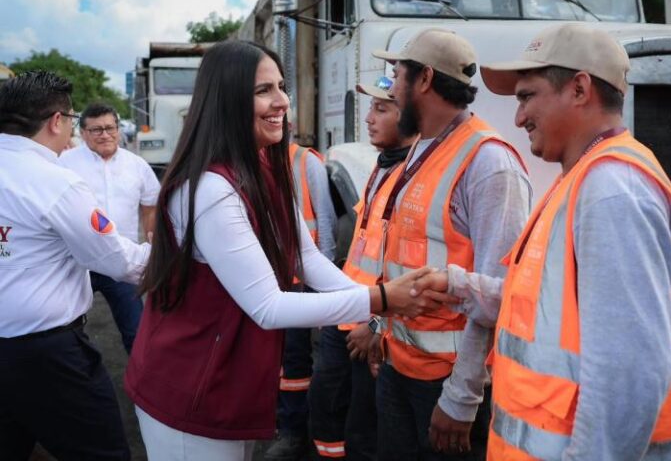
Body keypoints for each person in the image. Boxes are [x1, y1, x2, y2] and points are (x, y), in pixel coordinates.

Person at [122, 40, 455, 461]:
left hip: (228, 378)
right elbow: (267, 306)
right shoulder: (211, 188)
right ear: (226, 98)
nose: (282, 101)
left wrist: (374, 311)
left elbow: (306, 258)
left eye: (281, 86)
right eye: (263, 90)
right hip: (190, 385)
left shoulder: (265, 167)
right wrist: (383, 298)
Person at [416, 23, 671, 460]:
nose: (518, 117)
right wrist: (462, 287)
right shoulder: (584, 179)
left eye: (526, 97)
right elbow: (548, 307)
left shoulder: (610, 190)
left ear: (579, 89)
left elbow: (628, 376)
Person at [369, 29, 531, 460]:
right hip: (398, 368)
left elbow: (499, 293)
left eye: (396, 75)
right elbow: (401, 258)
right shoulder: (423, 148)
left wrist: (461, 398)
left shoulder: (489, 164)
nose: (390, 89)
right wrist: (379, 331)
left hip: (445, 388)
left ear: (423, 79)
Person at [0, 71, 150, 460]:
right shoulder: (55, 182)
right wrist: (178, 253)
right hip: (46, 356)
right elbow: (117, 259)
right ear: (55, 121)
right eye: (72, 119)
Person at [308, 75, 416, 461]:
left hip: (369, 322)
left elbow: (410, 269)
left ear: (409, 114)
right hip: (350, 310)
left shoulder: (411, 178)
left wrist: (375, 326)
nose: (369, 118)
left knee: (363, 427)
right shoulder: (380, 168)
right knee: (328, 404)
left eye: (381, 109)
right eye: (371, 108)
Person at [60, 102, 160, 353]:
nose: (105, 134)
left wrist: (152, 246)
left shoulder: (137, 165)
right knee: (65, 330)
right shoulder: (63, 164)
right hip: (75, 263)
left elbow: (150, 208)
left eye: (109, 128)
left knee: (136, 331)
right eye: (96, 130)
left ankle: (143, 386)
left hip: (121, 262)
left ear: (118, 129)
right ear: (82, 133)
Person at [265, 134, 337, 461]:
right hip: (265, 279)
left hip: (301, 280)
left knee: (295, 359)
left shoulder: (305, 162)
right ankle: (283, 424)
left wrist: (326, 290)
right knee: (276, 359)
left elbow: (325, 222)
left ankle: (295, 430)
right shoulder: (247, 161)